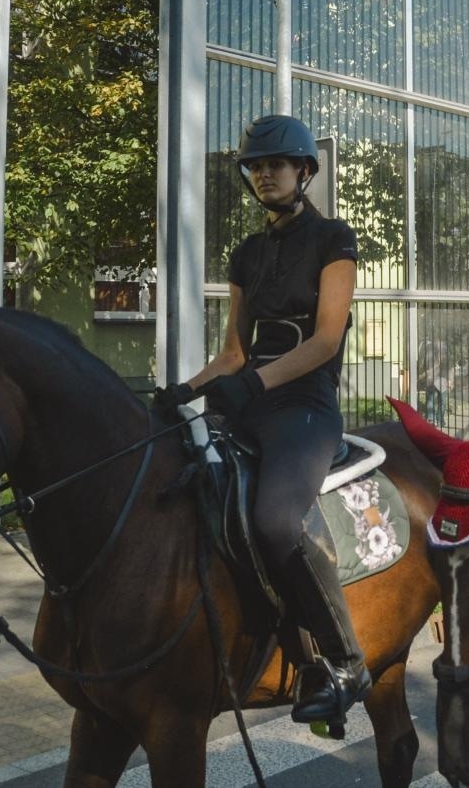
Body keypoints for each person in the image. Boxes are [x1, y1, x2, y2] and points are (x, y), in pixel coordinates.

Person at [154, 114, 371, 724]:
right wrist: (180, 392)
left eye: (275, 165)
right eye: (255, 167)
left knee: (276, 521)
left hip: (304, 409)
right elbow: (232, 352)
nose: (263, 175)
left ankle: (344, 661)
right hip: (249, 401)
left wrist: (254, 383)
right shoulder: (245, 254)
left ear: (305, 171)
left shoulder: (335, 239)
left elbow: (327, 339)